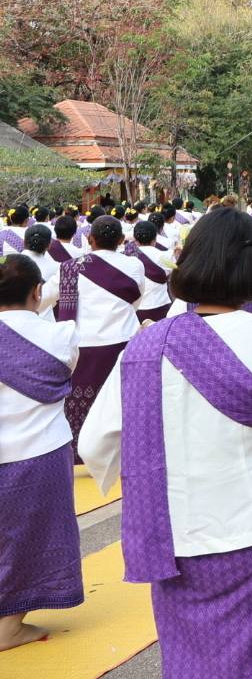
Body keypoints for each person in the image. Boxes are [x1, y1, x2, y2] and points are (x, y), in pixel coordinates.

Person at [80, 209, 252, 679]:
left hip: (175, 538)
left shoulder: (144, 348)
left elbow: (94, 444)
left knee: (191, 662)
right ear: (251, 265)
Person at [0, 254, 83, 651]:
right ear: (37, 292)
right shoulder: (62, 336)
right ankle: (10, 625)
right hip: (42, 452)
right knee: (34, 538)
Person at [56, 215, 147, 460]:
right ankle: (126, 453)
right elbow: (136, 300)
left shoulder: (71, 268)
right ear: (121, 239)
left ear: (90, 238)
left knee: (82, 404)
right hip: (124, 341)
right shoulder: (134, 265)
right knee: (122, 402)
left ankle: (82, 454)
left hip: (84, 345)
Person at [126, 220, 176, 323]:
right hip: (162, 306)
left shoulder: (126, 257)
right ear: (155, 239)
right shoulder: (168, 256)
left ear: (135, 239)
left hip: (136, 309)